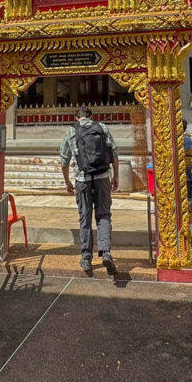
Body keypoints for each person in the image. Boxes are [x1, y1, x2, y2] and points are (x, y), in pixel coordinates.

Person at [60, 106, 119, 273]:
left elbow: (64, 162)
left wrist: (67, 183)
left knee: (84, 217)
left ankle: (86, 257)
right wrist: (116, 177)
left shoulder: (71, 132)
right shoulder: (102, 128)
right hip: (102, 178)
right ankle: (105, 252)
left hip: (81, 180)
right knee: (104, 214)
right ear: (92, 117)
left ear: (76, 118)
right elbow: (114, 154)